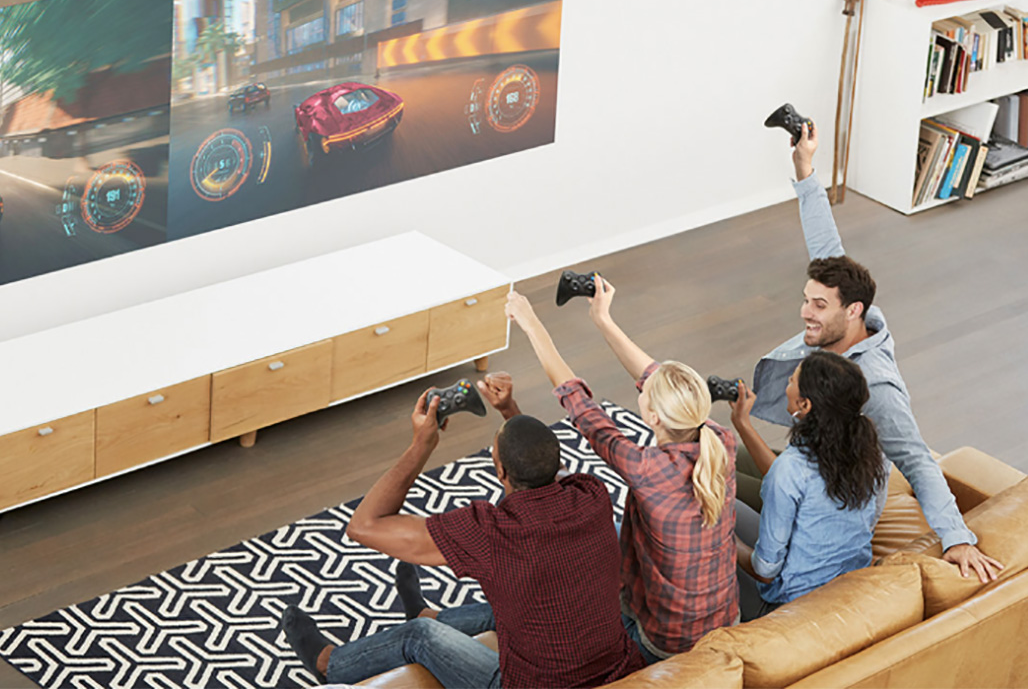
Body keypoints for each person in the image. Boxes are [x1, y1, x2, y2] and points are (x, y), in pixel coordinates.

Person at [742, 119, 1003, 582]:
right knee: (725, 464)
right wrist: (805, 172)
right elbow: (828, 246)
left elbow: (918, 460)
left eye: (818, 305)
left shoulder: (875, 387)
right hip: (812, 453)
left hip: (835, 481)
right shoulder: (852, 318)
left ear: (852, 310)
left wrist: (957, 538)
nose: (805, 312)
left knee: (722, 491)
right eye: (806, 299)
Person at [280, 382, 645, 689]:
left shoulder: (490, 532)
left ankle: (330, 664)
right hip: (616, 670)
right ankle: (432, 612)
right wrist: (509, 410)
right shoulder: (591, 495)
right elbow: (545, 463)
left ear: (500, 470)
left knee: (419, 635)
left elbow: (364, 525)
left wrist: (422, 444)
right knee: (526, 598)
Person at [507, 286, 738, 663]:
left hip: (665, 641)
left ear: (652, 418)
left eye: (646, 393)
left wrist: (530, 323)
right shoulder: (720, 439)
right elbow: (656, 378)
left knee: (582, 550)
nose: (644, 387)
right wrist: (603, 320)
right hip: (725, 620)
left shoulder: (645, 468)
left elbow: (578, 403)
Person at [730, 350, 888, 620]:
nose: (786, 386)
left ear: (804, 406)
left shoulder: (791, 468)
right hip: (844, 584)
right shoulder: (873, 452)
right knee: (733, 458)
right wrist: (743, 424)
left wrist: (727, 542)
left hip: (787, 606)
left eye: (791, 381)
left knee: (716, 504)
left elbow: (765, 572)